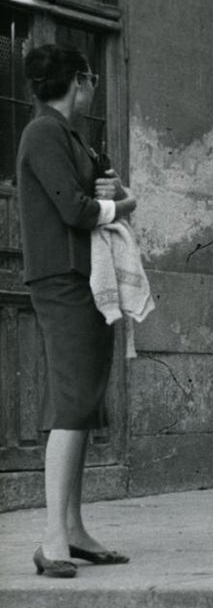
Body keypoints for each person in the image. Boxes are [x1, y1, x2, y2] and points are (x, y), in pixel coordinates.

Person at [17, 44, 137, 577]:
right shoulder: (43, 133)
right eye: (89, 81)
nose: (92, 91)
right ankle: (51, 540)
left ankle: (75, 530)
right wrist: (122, 204)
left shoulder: (72, 138)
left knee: (84, 403)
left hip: (85, 278)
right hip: (63, 278)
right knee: (72, 402)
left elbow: (105, 189)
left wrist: (116, 191)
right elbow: (77, 209)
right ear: (80, 83)